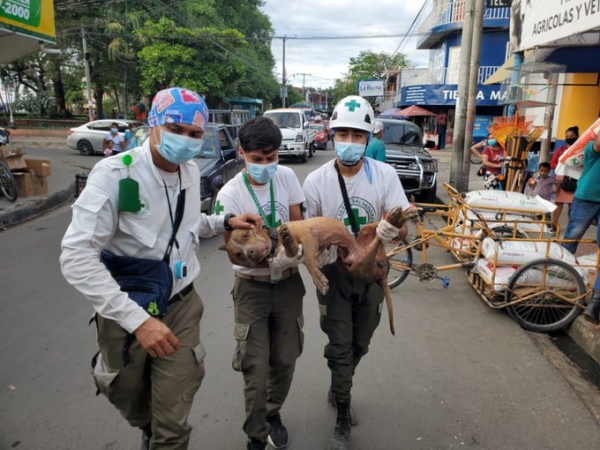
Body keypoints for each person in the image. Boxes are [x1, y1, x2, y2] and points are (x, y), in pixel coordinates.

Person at [60, 87, 261, 450]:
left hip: (181, 304)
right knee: (128, 395)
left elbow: (185, 224)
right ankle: (147, 426)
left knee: (173, 423)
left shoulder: (188, 171)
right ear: (153, 124)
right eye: (175, 128)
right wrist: (138, 321)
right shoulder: (115, 175)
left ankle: (163, 435)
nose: (184, 139)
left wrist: (225, 221)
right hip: (126, 307)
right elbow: (76, 257)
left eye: (194, 133)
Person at [302, 95, 415, 450]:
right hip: (335, 274)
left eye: (357, 135)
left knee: (359, 343)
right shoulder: (317, 181)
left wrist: (388, 231)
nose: (349, 141)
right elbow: (311, 233)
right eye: (342, 134)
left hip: (373, 273)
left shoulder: (385, 175)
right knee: (339, 344)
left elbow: (405, 227)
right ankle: (343, 412)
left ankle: (340, 381)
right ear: (332, 134)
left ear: (369, 138)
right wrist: (323, 250)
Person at [215, 117, 307, 450]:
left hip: (287, 285)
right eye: (257, 159)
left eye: (271, 158)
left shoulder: (287, 178)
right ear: (242, 153)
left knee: (284, 359)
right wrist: (265, 255)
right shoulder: (230, 194)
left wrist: (292, 254)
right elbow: (232, 253)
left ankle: (272, 414)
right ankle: (255, 433)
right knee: (254, 365)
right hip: (251, 288)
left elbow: (298, 227)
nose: (265, 165)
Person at [562, 132, 600, 325]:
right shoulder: (593, 150)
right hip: (586, 198)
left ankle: (595, 303)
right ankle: (560, 278)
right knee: (571, 239)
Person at [550, 126, 579, 228]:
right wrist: (561, 165)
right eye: (567, 136)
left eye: (572, 136)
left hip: (574, 179)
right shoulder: (561, 150)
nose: (569, 138)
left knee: (572, 205)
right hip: (560, 178)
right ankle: (553, 225)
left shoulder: (580, 151)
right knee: (558, 202)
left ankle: (570, 227)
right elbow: (552, 163)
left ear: (577, 136)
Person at [527, 162, 560, 234]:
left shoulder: (551, 179)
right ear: (539, 170)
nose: (543, 173)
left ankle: (548, 228)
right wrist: (530, 183)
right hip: (537, 199)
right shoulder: (536, 179)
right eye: (541, 170)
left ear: (549, 171)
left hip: (546, 200)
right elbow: (531, 185)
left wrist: (555, 190)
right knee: (539, 213)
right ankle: (540, 227)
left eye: (545, 171)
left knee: (547, 214)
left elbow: (558, 183)